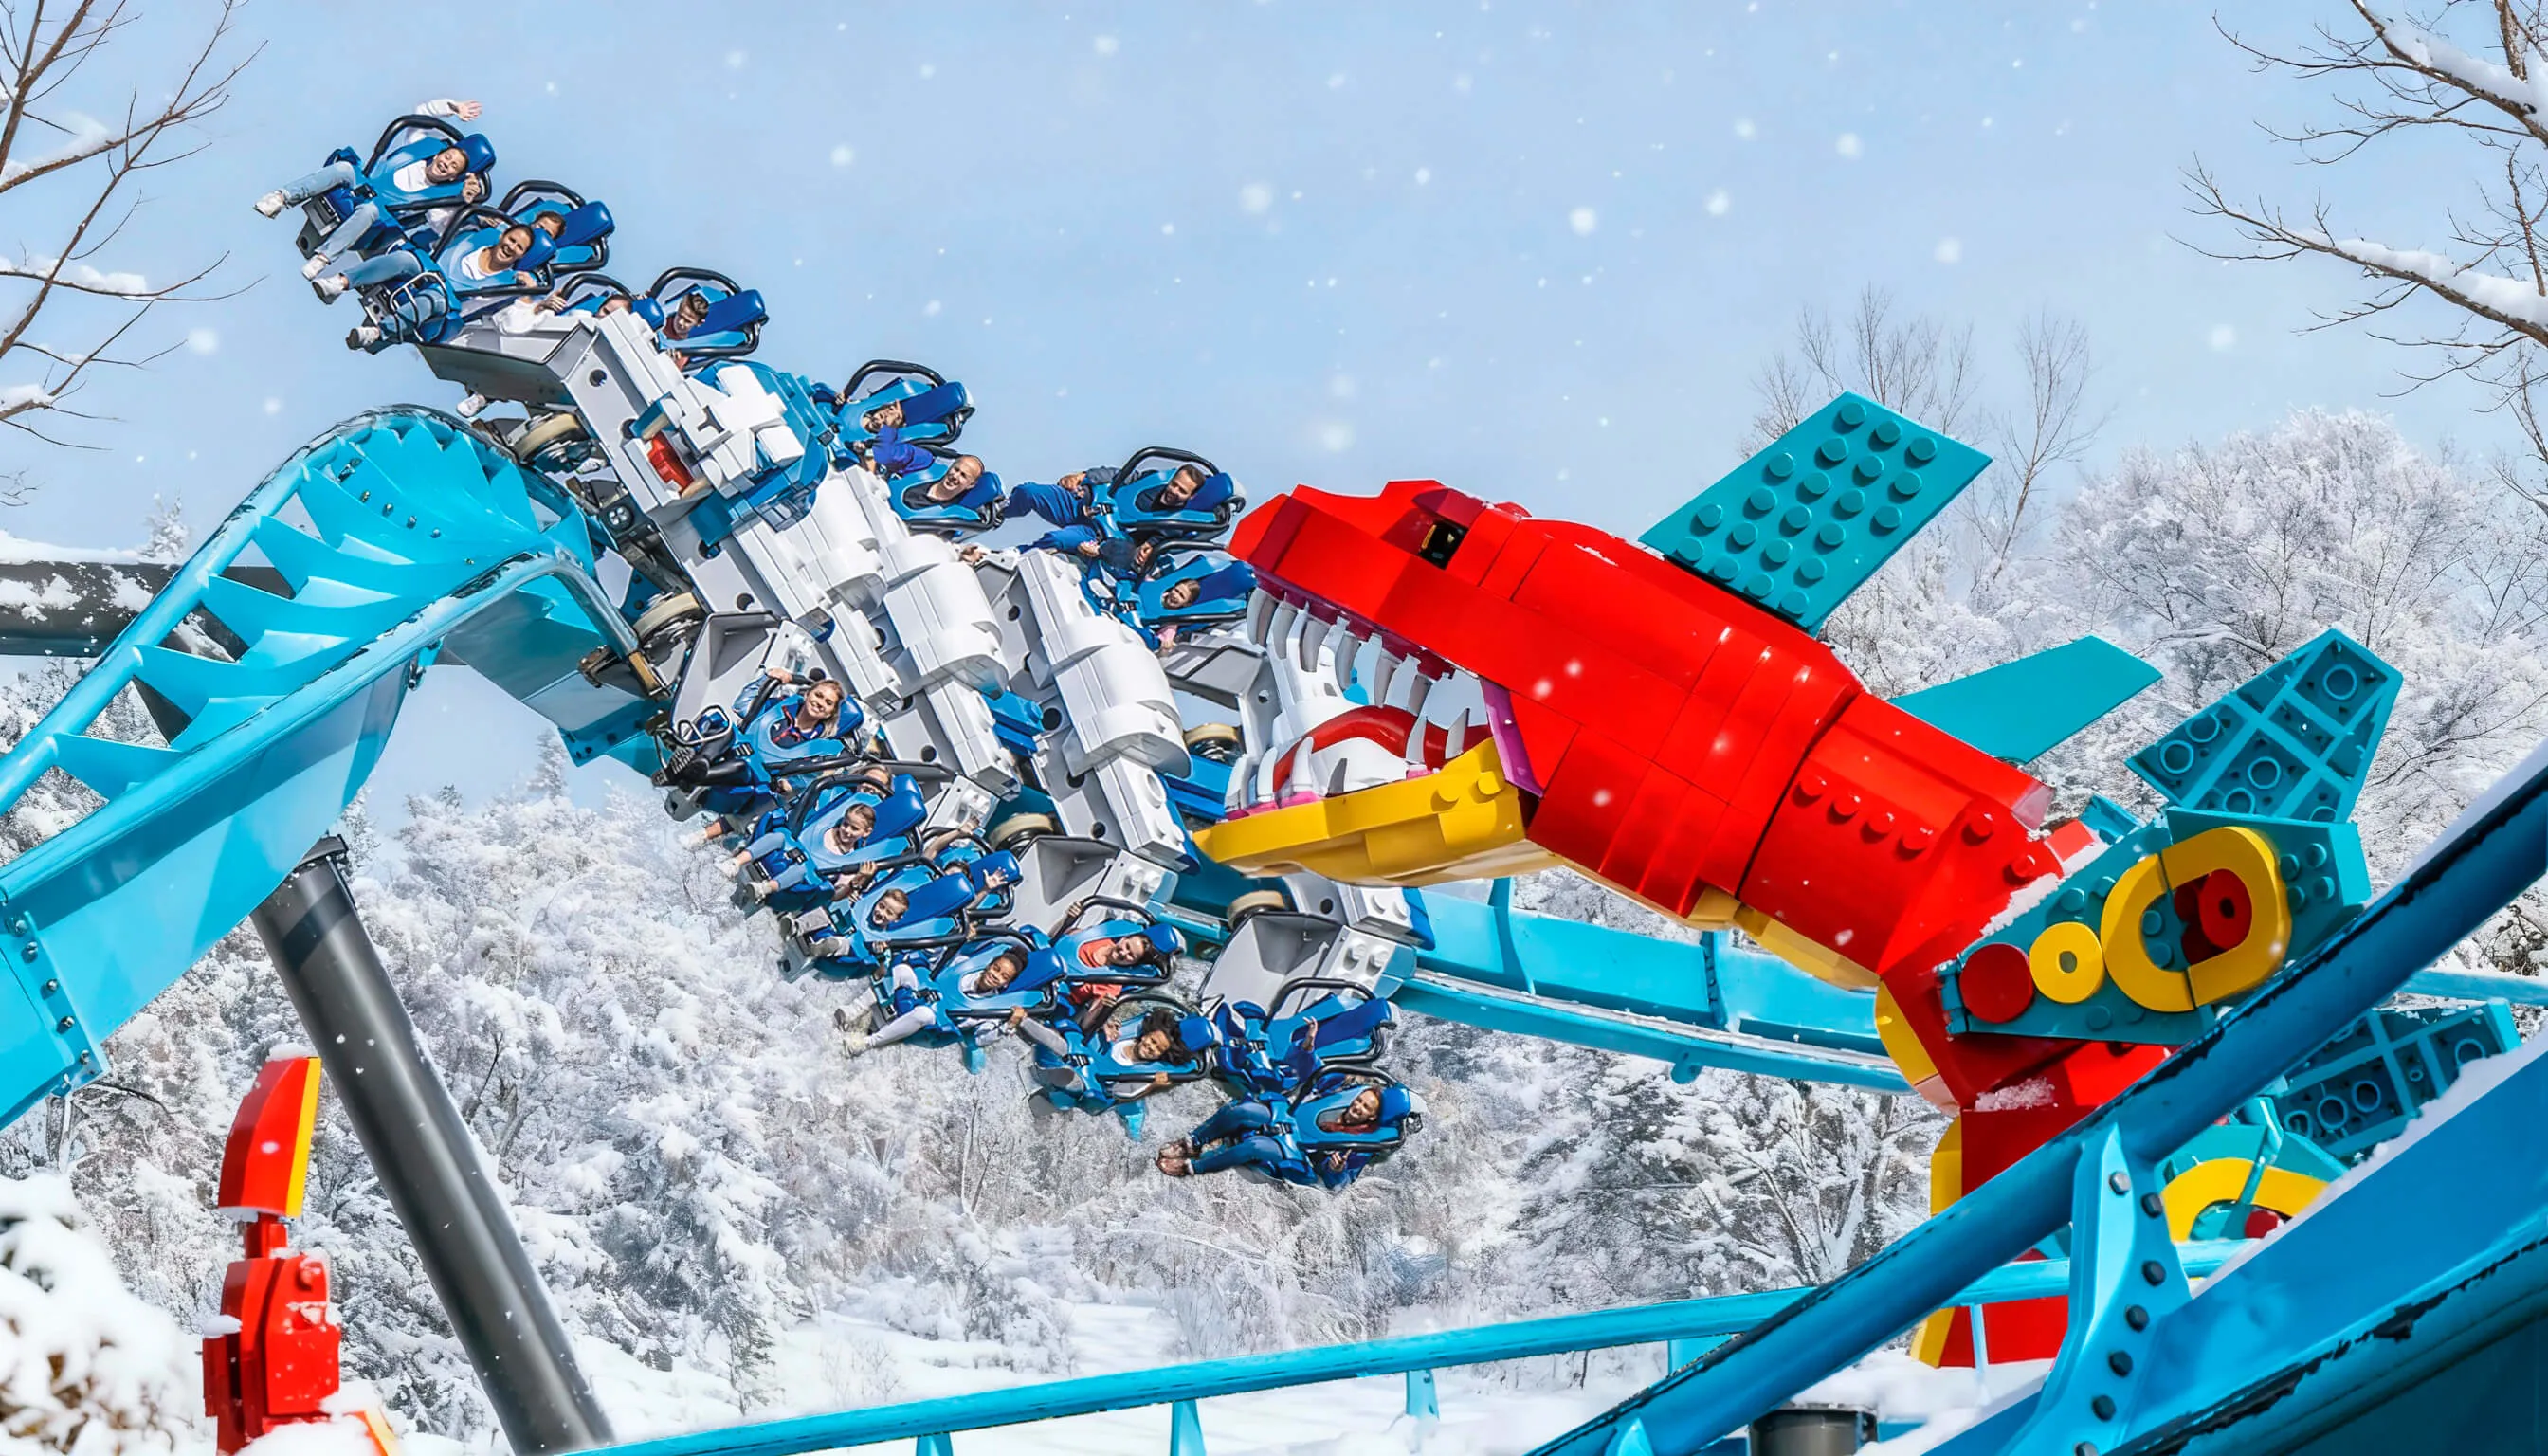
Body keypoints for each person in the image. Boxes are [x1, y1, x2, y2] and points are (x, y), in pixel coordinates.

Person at [257, 100, 495, 279]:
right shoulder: (419, 148)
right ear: (441, 152)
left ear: (455, 176)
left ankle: (323, 258)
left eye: (454, 167)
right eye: (448, 157)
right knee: (343, 168)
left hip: (374, 222)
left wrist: (467, 204)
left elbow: (443, 225)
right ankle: (280, 198)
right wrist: (453, 107)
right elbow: (422, 112)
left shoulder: (442, 199)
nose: (446, 164)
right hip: (360, 187)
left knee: (369, 210)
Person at [839, 947, 1072, 1056]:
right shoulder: (963, 965)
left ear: (1006, 984)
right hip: (922, 996)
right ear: (989, 964)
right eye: (996, 968)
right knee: (902, 970)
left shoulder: (994, 1008)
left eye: (1003, 977)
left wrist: (1009, 1025)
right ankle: (852, 1010)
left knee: (924, 1014)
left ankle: (866, 1044)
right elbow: (935, 967)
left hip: (934, 1024)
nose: (995, 976)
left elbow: (980, 1040)